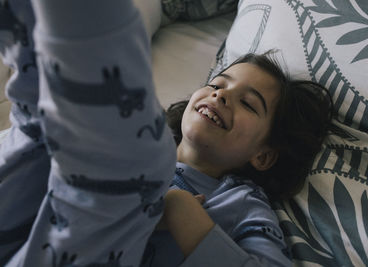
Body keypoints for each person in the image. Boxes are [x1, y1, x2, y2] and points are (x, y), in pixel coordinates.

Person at [0, 0, 332, 266]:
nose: (220, 95)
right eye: (216, 84)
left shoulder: (241, 203)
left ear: (263, 155)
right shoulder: (148, 135)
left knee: (122, 160)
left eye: (248, 103)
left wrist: (178, 210)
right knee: (41, 123)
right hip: (24, 229)